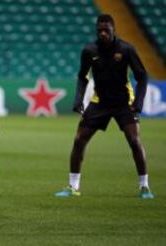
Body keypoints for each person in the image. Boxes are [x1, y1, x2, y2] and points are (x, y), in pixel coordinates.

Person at [55, 14, 154, 199]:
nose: (102, 34)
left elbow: (142, 76)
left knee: (134, 141)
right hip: (99, 102)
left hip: (123, 103)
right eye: (99, 31)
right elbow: (82, 77)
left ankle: (144, 187)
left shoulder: (126, 49)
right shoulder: (89, 50)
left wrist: (138, 102)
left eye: (106, 31)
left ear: (113, 30)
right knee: (78, 140)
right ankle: (73, 187)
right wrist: (78, 99)